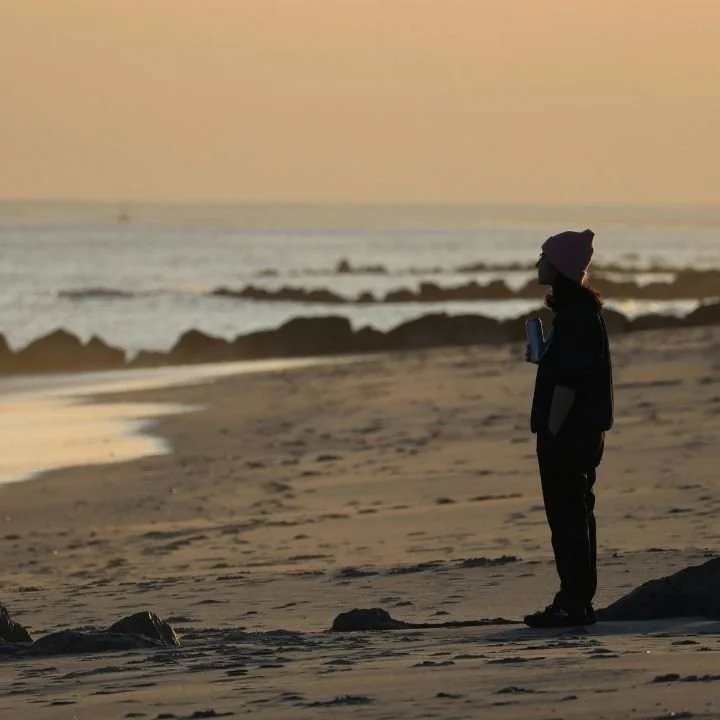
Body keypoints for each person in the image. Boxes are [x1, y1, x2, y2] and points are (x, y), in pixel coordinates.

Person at [523, 229, 614, 629]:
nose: (537, 264)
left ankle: (572, 603)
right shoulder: (579, 311)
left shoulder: (576, 314)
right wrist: (544, 358)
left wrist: (552, 433)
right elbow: (568, 370)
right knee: (577, 515)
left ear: (558, 266)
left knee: (567, 520)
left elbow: (569, 382)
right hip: (584, 431)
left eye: (543, 257)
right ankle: (578, 600)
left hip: (570, 433)